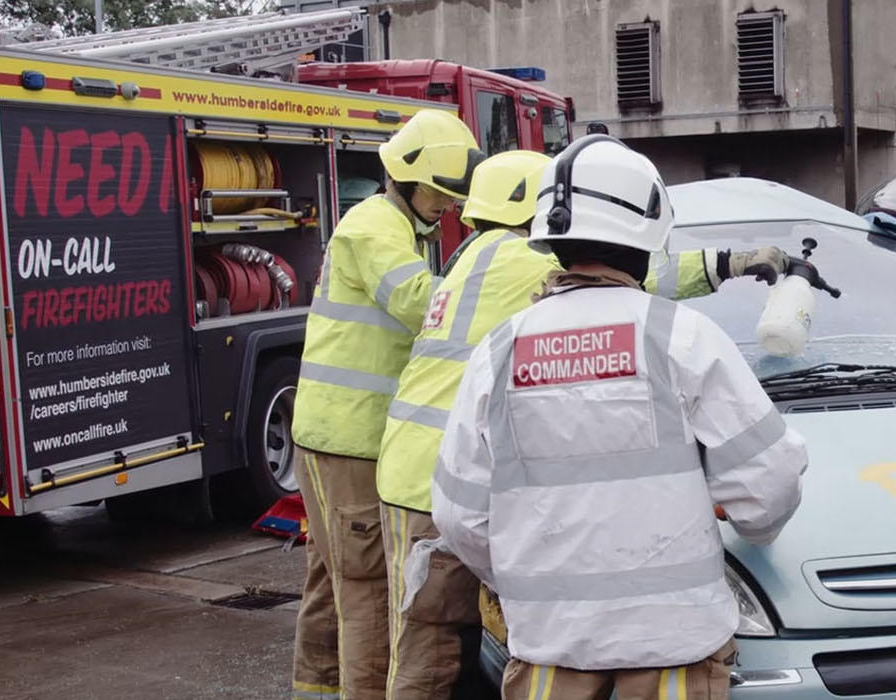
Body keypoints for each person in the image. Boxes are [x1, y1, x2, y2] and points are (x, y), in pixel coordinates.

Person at [374, 148, 796, 699]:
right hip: (673, 645)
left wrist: (523, 582)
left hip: (551, 647)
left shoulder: (499, 350)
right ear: (648, 237)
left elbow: (459, 514)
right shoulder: (680, 336)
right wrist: (754, 531)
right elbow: (769, 481)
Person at [290, 109, 483, 700]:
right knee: (369, 591)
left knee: (335, 584)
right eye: (439, 192)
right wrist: (506, 278)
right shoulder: (374, 226)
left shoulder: (399, 228)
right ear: (404, 174)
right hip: (350, 442)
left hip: (344, 437)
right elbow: (424, 306)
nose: (447, 206)